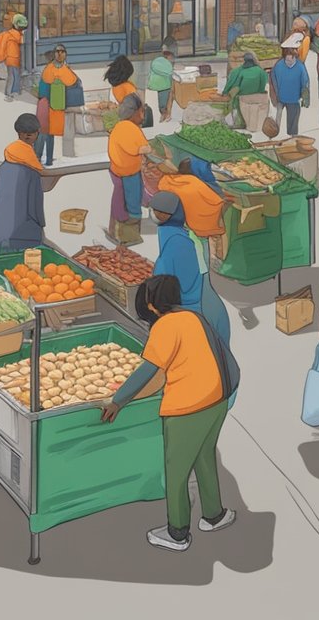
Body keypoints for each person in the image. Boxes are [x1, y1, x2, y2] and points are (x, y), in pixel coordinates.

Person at [103, 275, 238, 553]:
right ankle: (214, 515)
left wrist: (118, 401)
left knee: (176, 470)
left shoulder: (165, 327)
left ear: (151, 304)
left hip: (188, 407)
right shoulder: (193, 317)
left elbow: (148, 371)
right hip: (218, 399)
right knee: (204, 458)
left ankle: (177, 533)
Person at [157, 159, 233, 344]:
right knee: (201, 282)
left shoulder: (168, 183)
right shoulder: (198, 188)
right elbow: (216, 201)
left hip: (181, 238)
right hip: (196, 238)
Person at [0, 113, 45, 255]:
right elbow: (34, 203)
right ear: (36, 134)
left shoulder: (7, 162)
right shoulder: (30, 169)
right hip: (22, 230)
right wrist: (41, 224)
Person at [107, 93, 151, 247]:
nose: (143, 116)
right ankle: (129, 236)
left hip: (125, 171)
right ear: (134, 112)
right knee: (132, 203)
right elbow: (137, 148)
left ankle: (126, 233)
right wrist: (148, 149)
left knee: (132, 200)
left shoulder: (125, 126)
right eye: (141, 112)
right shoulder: (126, 128)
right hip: (127, 173)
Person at [37, 45, 78, 166]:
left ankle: (39, 158)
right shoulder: (55, 70)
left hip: (48, 105)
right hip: (52, 106)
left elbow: (42, 91)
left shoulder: (49, 71)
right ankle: (47, 159)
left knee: (44, 133)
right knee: (49, 134)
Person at [270, 37, 310, 135]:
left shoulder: (298, 66)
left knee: (288, 120)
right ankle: (278, 134)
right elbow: (273, 79)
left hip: (290, 98)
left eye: (290, 56)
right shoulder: (280, 65)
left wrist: (305, 97)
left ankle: (287, 135)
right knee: (282, 119)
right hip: (285, 98)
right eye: (287, 55)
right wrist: (276, 92)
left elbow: (305, 82)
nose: (289, 58)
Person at [224, 52, 269, 128]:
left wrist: (226, 92)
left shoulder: (240, 72)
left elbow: (236, 85)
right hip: (257, 96)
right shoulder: (260, 71)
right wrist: (259, 91)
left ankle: (242, 122)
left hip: (242, 98)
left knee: (236, 102)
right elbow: (263, 83)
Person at [0, 14, 28, 102]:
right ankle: (10, 92)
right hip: (14, 58)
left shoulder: (8, 34)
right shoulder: (17, 35)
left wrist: (2, 57)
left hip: (10, 58)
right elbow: (20, 41)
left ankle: (11, 92)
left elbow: (2, 47)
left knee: (12, 75)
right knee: (13, 76)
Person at [148, 48, 175, 122]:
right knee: (162, 104)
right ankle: (164, 114)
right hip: (160, 89)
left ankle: (165, 114)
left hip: (165, 88)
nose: (172, 62)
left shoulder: (166, 68)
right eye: (170, 60)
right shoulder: (159, 67)